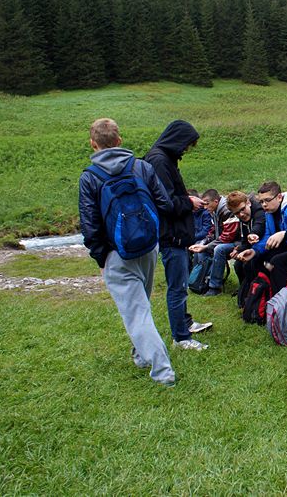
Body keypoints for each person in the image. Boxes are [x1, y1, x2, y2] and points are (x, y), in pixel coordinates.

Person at [78, 118, 176, 386]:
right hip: (148, 248)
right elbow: (165, 204)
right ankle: (142, 356)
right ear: (119, 141)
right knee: (141, 306)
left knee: (136, 313)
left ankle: (163, 372)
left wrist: (101, 257)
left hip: (116, 254)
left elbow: (90, 225)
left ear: (93, 144)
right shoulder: (141, 167)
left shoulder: (90, 177)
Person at [144, 120, 212, 350]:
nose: (186, 150)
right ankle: (181, 337)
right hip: (170, 235)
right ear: (177, 140)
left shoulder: (164, 158)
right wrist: (189, 202)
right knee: (177, 287)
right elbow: (164, 202)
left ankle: (185, 323)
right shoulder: (159, 160)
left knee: (180, 283)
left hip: (175, 234)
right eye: (186, 145)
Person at [247, 181, 287, 295]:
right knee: (258, 258)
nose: (264, 205)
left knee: (277, 262)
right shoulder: (269, 212)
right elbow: (268, 236)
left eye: (267, 200)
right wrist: (255, 250)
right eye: (261, 201)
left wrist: (285, 234)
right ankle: (260, 299)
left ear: (279, 197)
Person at [188, 189, 238, 296]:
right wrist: (204, 242)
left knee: (218, 249)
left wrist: (206, 246)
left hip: (237, 243)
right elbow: (213, 231)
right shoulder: (215, 211)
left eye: (207, 203)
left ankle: (214, 287)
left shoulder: (226, 211)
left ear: (215, 201)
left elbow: (227, 237)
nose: (205, 207)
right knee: (200, 245)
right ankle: (199, 281)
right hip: (224, 240)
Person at [227, 191, 267, 307]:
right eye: (237, 213)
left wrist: (253, 234)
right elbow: (244, 239)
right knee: (237, 264)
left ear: (248, 203)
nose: (241, 214)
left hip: (264, 247)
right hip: (252, 247)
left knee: (248, 264)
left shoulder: (259, 211)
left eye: (242, 209)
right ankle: (245, 289)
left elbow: (259, 225)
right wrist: (239, 250)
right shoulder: (242, 219)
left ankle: (254, 294)